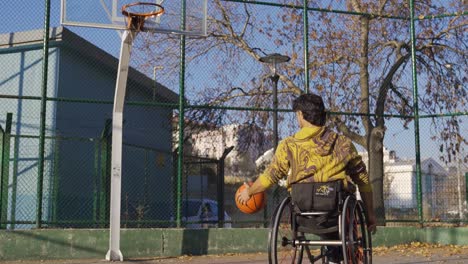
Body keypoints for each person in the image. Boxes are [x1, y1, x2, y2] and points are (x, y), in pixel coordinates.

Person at [238, 93, 377, 262]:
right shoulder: (343, 143)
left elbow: (271, 175)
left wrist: (250, 192)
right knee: (343, 199)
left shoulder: (288, 145)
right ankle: (339, 254)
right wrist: (370, 214)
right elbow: (362, 179)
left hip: (303, 212)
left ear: (300, 115)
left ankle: (333, 251)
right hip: (336, 212)